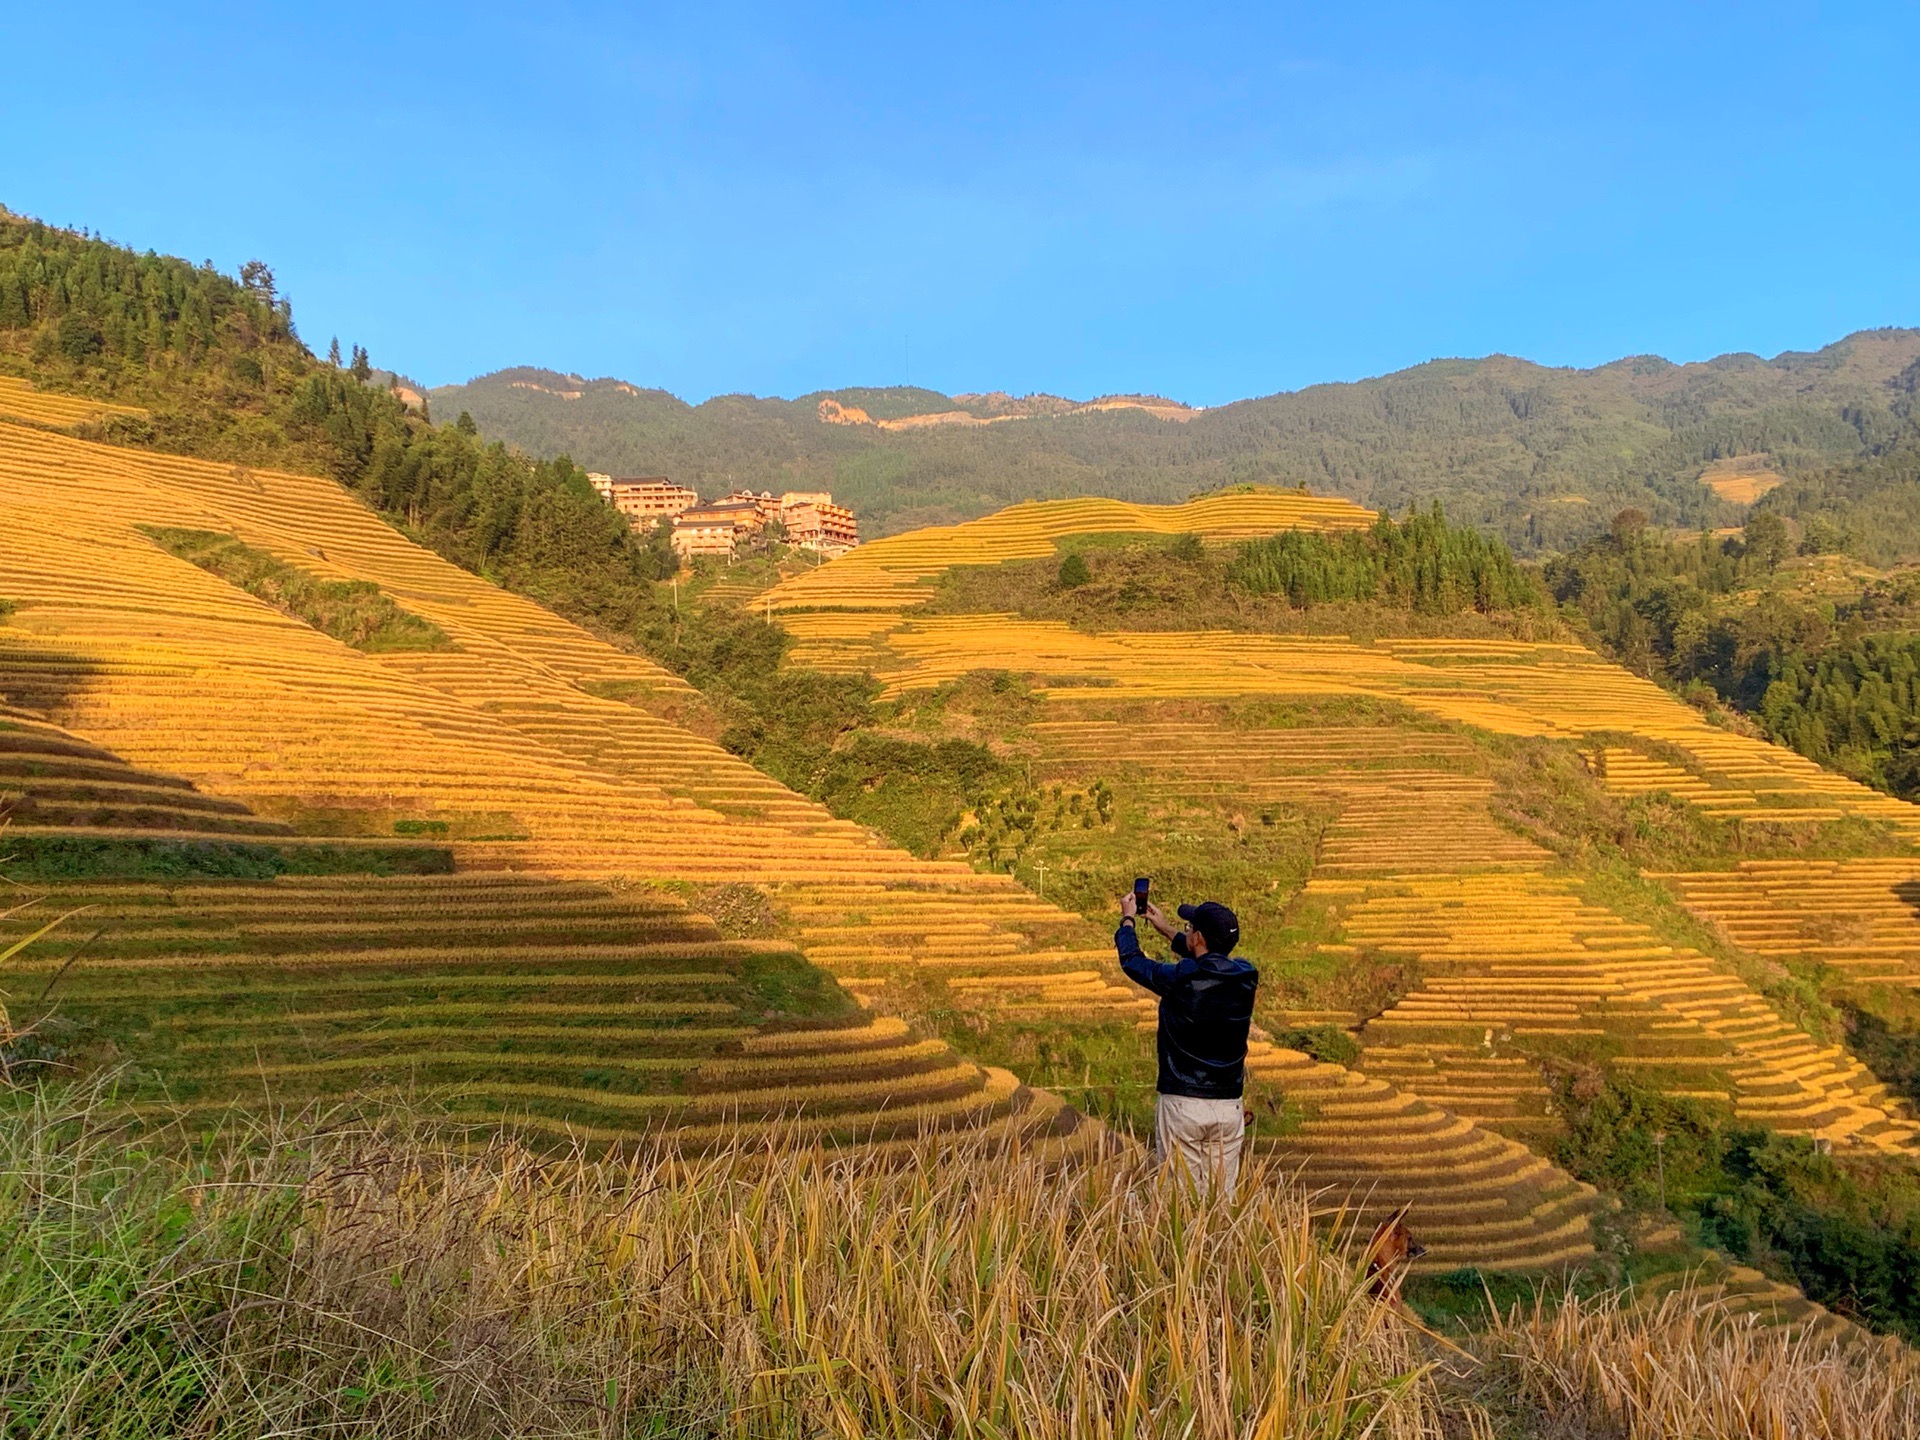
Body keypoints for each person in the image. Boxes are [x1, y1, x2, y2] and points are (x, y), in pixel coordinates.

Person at [1116, 889, 1259, 1196]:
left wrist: (1128, 920)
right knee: (1221, 1201)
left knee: (1179, 1201)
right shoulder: (1246, 976)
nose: (1187, 933)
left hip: (1183, 1103)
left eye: (1190, 929)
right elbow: (1212, 961)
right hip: (1228, 1107)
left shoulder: (1180, 978)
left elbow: (1132, 962)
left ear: (1198, 938)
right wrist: (1166, 929)